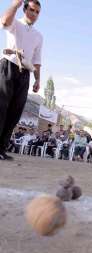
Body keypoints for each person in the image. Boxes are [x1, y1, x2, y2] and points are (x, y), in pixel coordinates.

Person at [0, 0, 42, 160]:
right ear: (25, 10)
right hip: (8, 66)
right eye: (32, 10)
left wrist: (37, 80)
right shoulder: (15, 23)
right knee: (1, 108)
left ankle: (1, 149)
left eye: (38, 12)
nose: (35, 14)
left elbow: (37, 61)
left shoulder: (39, 36)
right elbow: (3, 22)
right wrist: (15, 4)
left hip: (25, 73)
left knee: (15, 112)